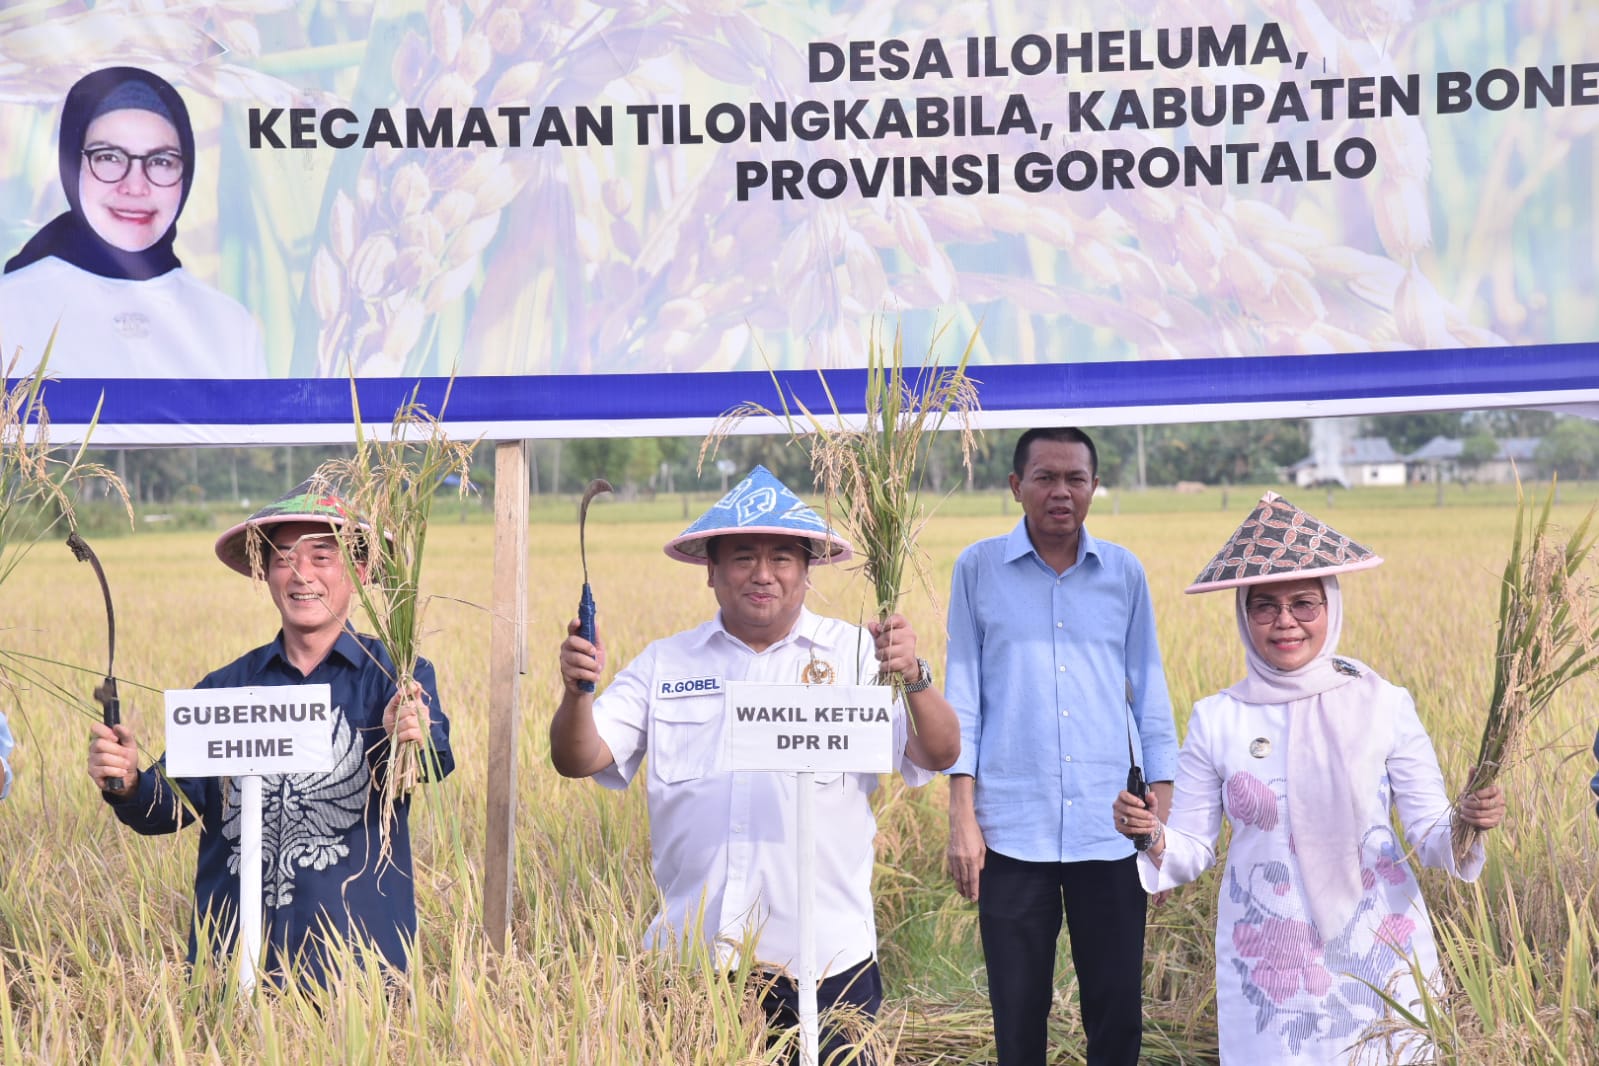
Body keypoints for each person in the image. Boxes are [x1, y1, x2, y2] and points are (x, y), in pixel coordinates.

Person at [550, 465, 961, 1062]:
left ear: (807, 571)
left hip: (827, 967)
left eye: (782, 558)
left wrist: (915, 675)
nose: (763, 574)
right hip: (693, 969)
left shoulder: (856, 656)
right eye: (743, 557)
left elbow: (940, 751)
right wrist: (577, 690)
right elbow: (578, 756)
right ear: (711, 570)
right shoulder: (666, 663)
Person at [1112, 491, 1505, 1064]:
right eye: (1264, 606)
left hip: (1379, 951)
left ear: (1332, 608)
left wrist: (1468, 821)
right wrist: (1149, 831)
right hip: (1271, 963)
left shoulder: (1384, 704)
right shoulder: (1217, 718)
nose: (1285, 621)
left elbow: (1431, 834)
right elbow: (1191, 849)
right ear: (1244, 615)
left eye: (1304, 602)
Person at [85, 482, 453, 986]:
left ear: (359, 573)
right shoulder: (226, 688)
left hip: (361, 970)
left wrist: (406, 736)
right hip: (233, 968)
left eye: (323, 556)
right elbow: (173, 806)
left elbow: (432, 764)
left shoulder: (395, 677)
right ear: (265, 573)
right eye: (283, 558)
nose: (302, 574)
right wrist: (127, 782)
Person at [944, 426, 1179, 1066]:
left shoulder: (1124, 572)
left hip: (1113, 829)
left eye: (1076, 479)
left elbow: (1150, 693)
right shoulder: (977, 569)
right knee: (1017, 1019)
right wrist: (962, 818)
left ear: (1094, 487)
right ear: (1017, 487)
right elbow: (963, 697)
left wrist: (1162, 825)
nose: (1060, 492)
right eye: (1045, 477)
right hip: (1011, 831)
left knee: (1116, 1014)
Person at [0, 66, 266, 378]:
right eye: (109, 157)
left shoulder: (229, 326)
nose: (136, 186)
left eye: (161, 161)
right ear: (72, 163)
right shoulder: (10, 308)